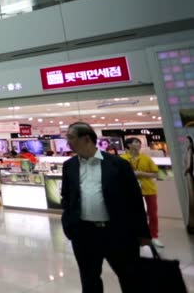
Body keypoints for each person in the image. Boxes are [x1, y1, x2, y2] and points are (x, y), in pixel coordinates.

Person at [61, 122, 150, 293]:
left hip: (117, 232)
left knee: (129, 277)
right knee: (89, 279)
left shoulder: (118, 164)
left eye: (70, 137)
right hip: (84, 233)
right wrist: (69, 223)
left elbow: (135, 200)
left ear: (86, 138)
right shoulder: (69, 165)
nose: (68, 142)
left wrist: (143, 233)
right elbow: (67, 196)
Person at [121, 137, 162, 248]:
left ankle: (154, 236)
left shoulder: (146, 159)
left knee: (153, 214)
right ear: (128, 145)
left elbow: (156, 174)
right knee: (134, 214)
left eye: (139, 142)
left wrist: (140, 173)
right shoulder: (123, 159)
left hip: (149, 189)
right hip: (131, 190)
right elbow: (120, 175)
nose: (138, 144)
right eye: (135, 142)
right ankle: (137, 236)